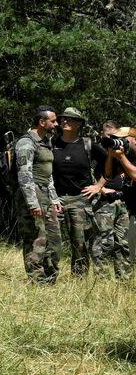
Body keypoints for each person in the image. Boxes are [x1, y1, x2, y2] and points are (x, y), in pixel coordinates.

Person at [49, 108, 107, 277]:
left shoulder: (88, 145)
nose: (65, 121)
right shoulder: (52, 143)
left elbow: (112, 163)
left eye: (71, 119)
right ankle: (48, 277)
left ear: (79, 124)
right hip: (55, 199)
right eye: (63, 118)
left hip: (80, 199)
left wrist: (99, 185)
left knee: (80, 242)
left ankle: (79, 279)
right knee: (50, 240)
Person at [13, 107, 61, 284]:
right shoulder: (26, 143)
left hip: (46, 194)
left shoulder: (46, 142)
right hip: (32, 193)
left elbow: (48, 175)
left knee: (54, 239)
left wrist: (54, 198)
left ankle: (50, 278)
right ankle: (36, 280)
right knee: (36, 238)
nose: (56, 124)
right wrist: (32, 203)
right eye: (53, 121)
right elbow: (24, 175)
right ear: (42, 122)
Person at [92, 118, 134, 281]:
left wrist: (120, 155)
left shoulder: (125, 152)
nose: (113, 141)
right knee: (106, 241)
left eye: (116, 138)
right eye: (109, 137)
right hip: (106, 202)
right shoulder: (96, 150)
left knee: (123, 242)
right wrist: (100, 188)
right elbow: (99, 174)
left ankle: (124, 278)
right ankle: (102, 279)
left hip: (123, 201)